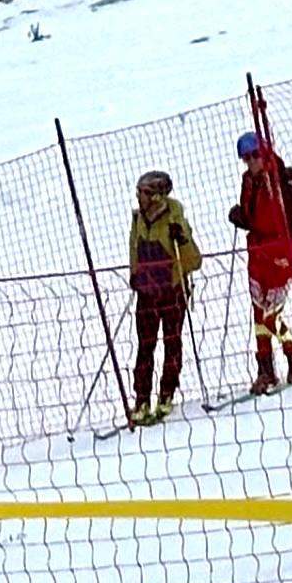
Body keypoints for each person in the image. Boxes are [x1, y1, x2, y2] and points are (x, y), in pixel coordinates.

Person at [231, 130, 292, 395]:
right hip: (257, 251)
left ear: (265, 152)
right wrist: (241, 217)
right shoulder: (249, 181)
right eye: (246, 158)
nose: (251, 161)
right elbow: (252, 213)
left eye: (255, 155)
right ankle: (265, 370)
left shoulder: (279, 178)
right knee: (259, 312)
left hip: (280, 248)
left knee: (271, 315)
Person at [127, 170, 200, 423]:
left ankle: (167, 392)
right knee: (145, 346)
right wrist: (135, 274)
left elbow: (193, 260)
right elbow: (134, 249)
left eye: (145, 193)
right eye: (139, 192)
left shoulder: (173, 217)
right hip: (146, 293)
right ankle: (141, 398)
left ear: (158, 196)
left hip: (171, 290)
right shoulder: (137, 219)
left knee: (172, 342)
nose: (139, 197)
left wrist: (183, 238)